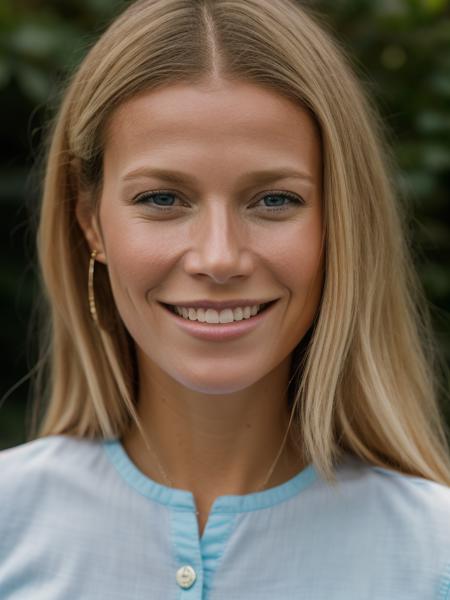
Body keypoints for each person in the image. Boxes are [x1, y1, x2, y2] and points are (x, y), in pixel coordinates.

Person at [1, 0, 449, 597]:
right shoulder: (11, 524)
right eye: (162, 199)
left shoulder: (431, 554)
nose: (218, 258)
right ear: (90, 222)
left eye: (274, 200)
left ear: (340, 221)